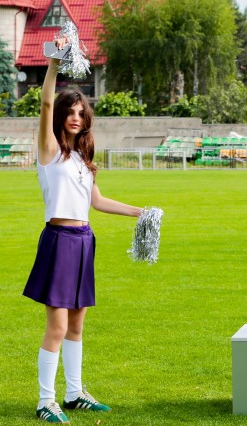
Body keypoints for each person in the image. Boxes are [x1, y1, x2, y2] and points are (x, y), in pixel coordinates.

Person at [24, 39, 143, 423]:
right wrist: (54, 64)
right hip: (58, 242)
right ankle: (46, 401)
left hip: (83, 241)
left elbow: (98, 202)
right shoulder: (48, 150)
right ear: (60, 115)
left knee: (77, 323)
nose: (75, 117)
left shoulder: (83, 159)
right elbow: (43, 103)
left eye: (81, 112)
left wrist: (142, 212)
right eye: (69, 111)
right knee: (57, 326)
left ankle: (74, 393)